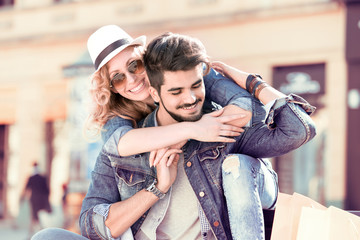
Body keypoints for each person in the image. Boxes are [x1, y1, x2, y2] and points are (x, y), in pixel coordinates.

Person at [32, 28, 316, 240]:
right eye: (118, 77)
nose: (132, 80)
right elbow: (91, 221)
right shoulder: (121, 137)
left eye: (135, 66)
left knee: (238, 165)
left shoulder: (211, 118)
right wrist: (158, 186)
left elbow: (286, 126)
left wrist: (251, 82)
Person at [22, 162, 51, 236]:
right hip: (41, 199)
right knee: (37, 215)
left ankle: (34, 232)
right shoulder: (43, 177)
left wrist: (22, 197)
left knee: (34, 215)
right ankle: (38, 231)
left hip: (34, 199)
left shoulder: (31, 177)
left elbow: (26, 188)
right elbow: (47, 190)